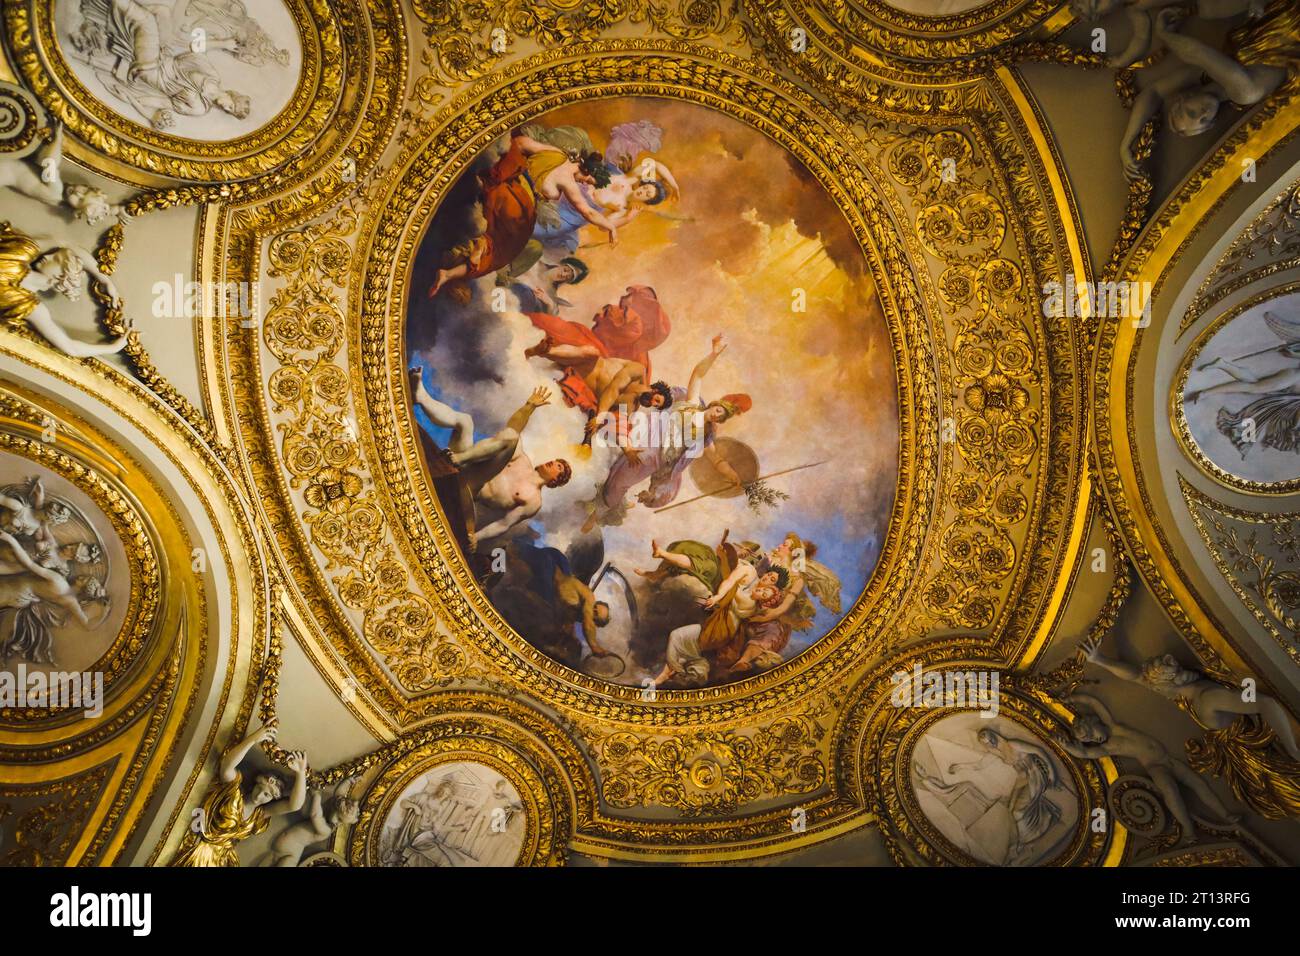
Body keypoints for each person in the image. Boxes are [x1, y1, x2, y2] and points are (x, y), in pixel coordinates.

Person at [428, 130, 621, 299]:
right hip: (519, 205)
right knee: (504, 251)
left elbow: (520, 142)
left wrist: (503, 170)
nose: (586, 184)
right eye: (589, 180)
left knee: (490, 228)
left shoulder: (557, 154)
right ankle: (459, 265)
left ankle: (465, 258)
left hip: (505, 182)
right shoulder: (569, 182)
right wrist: (611, 226)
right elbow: (587, 212)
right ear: (586, 169)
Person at [1119, 5, 1298, 179]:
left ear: (1185, 97)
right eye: (1203, 121)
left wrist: (1126, 144)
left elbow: (1154, 92)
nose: (1202, 114)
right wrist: (1165, 35)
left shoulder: (1204, 76)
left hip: (1281, 14)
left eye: (1191, 112)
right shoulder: (1243, 94)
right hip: (1293, 23)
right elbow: (1196, 52)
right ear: (1211, 124)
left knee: (1208, 9)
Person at [409, 369, 570, 546]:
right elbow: (513, 427)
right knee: (466, 421)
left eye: (558, 467)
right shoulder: (522, 460)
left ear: (555, 481)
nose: (553, 462)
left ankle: (461, 459)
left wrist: (477, 538)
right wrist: (529, 406)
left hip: (469, 490)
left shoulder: (533, 500)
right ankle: (421, 397)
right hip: (462, 464)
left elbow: (504, 524)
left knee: (512, 438)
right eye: (556, 460)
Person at [1081, 635, 1300, 760]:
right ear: (1167, 684)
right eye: (1175, 671)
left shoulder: (1175, 690)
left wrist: (1099, 659)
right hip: (1246, 736)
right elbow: (1267, 703)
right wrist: (1294, 750)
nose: (1179, 668)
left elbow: (1135, 675)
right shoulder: (1207, 698)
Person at [1058, 693, 1238, 844]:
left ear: (1094, 722)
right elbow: (1086, 754)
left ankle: (1225, 814)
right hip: (1155, 767)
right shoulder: (1108, 747)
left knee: (1199, 783)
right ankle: (1188, 829)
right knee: (1169, 791)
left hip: (1169, 760)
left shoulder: (1114, 726)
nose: (1092, 739)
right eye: (1088, 740)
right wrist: (1069, 747)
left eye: (1090, 733)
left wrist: (1072, 699)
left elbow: (1093, 702)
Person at [171, 719, 308, 867]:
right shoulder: (234, 794)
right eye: (260, 789)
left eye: (267, 795)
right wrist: (253, 739)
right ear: (255, 783)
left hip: (224, 861)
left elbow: (294, 805)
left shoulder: (258, 815)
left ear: (272, 798)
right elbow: (227, 766)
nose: (259, 796)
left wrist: (301, 774)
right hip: (202, 854)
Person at [0, 222, 131, 358]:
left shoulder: (27, 305)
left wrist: (113, 348)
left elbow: (71, 347)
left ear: (61, 276)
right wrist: (105, 279)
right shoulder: (21, 252)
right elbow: (66, 245)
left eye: (56, 259)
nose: (47, 256)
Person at [510, 543, 615, 657]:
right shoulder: (588, 596)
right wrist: (595, 647)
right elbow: (588, 624)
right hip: (548, 564)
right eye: (595, 608)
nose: (591, 612)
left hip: (539, 586)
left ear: (596, 623)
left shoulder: (569, 619)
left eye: (595, 615)